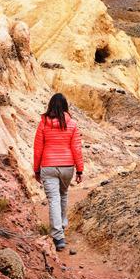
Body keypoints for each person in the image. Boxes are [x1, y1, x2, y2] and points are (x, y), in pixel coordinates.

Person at [33, 93, 83, 251]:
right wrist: (80, 170)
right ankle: (61, 225)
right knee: (63, 194)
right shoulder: (73, 124)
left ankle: (58, 236)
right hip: (67, 166)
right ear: (65, 106)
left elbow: (38, 149)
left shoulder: (43, 124)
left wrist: (36, 169)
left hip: (48, 166)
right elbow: (76, 148)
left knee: (54, 199)